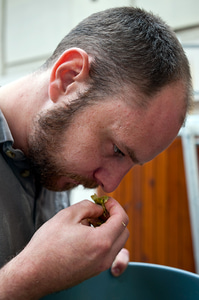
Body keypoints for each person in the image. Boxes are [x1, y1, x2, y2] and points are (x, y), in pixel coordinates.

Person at [0, 6, 193, 299]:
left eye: (131, 163)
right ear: (67, 78)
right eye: (116, 149)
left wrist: (79, 271)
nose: (111, 184)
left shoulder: (51, 156)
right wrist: (29, 275)